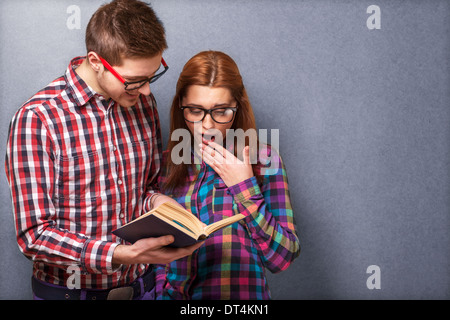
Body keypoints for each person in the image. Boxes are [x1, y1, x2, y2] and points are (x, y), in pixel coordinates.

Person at [4, 0, 202, 300]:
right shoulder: (38, 119)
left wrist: (159, 202)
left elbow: (144, 188)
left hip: (143, 289)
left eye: (152, 76)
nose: (147, 91)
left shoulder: (142, 104)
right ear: (96, 61)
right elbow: (33, 237)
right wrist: (117, 254)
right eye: (135, 81)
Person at [155, 50, 300, 300]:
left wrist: (245, 188)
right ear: (181, 108)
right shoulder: (165, 164)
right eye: (195, 110)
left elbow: (282, 259)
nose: (207, 124)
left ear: (237, 107)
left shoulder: (264, 160)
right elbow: (150, 255)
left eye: (221, 111)